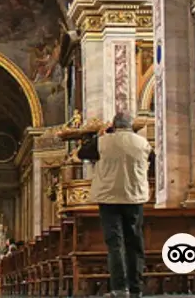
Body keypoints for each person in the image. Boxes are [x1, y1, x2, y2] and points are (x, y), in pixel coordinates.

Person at [78, 112, 150, 298]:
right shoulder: (142, 143)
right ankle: (136, 288)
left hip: (109, 198)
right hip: (134, 197)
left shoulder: (103, 142)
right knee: (134, 243)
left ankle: (119, 288)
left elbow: (82, 153)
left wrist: (102, 134)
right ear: (130, 125)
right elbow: (153, 160)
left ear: (114, 125)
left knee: (115, 243)